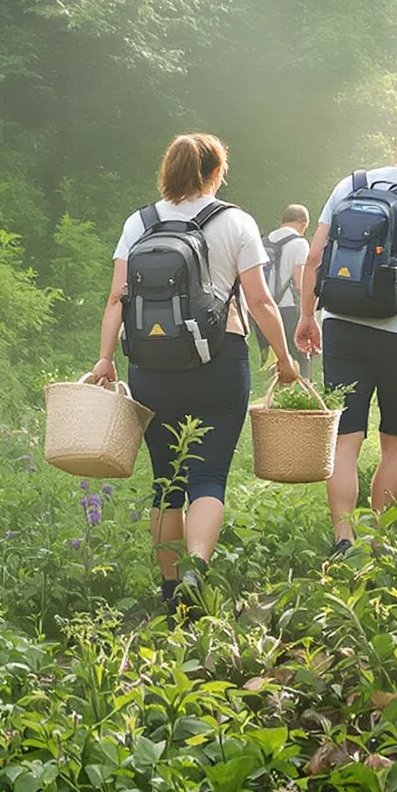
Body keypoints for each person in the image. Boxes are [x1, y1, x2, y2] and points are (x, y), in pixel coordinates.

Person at [92, 133, 299, 612]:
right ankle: (195, 570)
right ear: (216, 172)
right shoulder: (235, 221)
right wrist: (285, 360)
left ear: (168, 170)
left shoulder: (140, 222)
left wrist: (105, 357)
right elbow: (260, 301)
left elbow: (117, 298)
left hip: (150, 364)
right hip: (220, 360)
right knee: (208, 476)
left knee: (166, 479)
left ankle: (169, 589)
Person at [294, 123, 397, 553]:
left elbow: (314, 257)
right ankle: (377, 538)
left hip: (342, 325)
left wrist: (308, 315)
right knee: (396, 443)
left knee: (345, 439)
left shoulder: (350, 186)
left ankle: (343, 537)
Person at [259, 205, 314, 380]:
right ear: (303, 223)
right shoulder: (300, 243)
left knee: (276, 357)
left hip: (266, 308)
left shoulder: (265, 241)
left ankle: (275, 392)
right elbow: (299, 281)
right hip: (290, 307)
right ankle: (304, 390)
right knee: (300, 356)